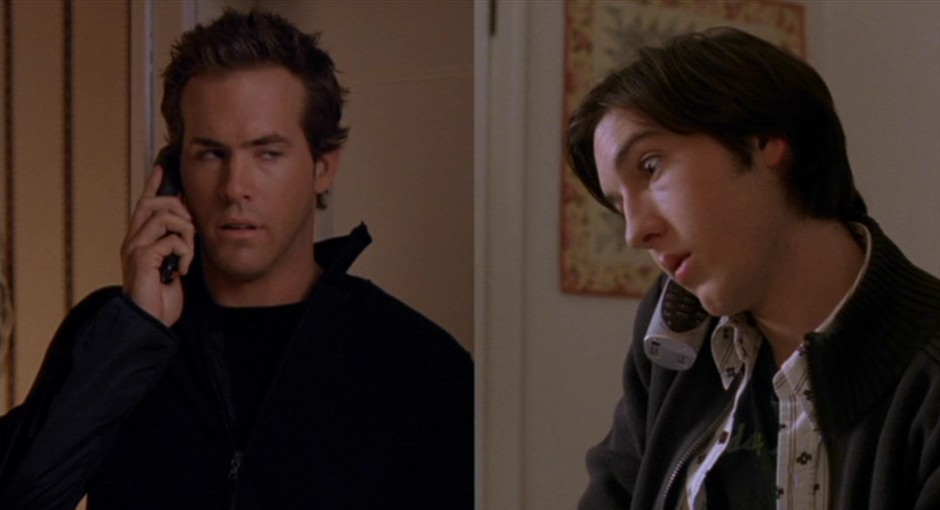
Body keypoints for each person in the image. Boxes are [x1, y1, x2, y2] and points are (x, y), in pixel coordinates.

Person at [0, 9, 473, 509]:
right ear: (172, 173)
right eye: (211, 154)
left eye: (267, 153)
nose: (234, 188)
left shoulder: (416, 364)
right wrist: (135, 333)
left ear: (323, 168)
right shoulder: (110, 333)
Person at [565, 27, 940, 510]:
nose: (635, 233)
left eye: (651, 167)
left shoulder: (926, 377)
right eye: (620, 206)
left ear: (764, 138)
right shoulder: (677, 332)